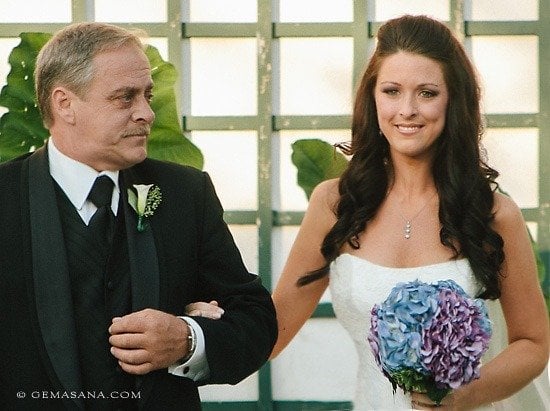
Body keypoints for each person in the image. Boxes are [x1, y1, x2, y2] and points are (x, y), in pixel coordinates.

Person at [187, 15, 550, 410]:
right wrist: (212, 326)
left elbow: (534, 343)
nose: (407, 110)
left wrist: (465, 395)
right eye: (392, 91)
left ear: (453, 101)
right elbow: (274, 331)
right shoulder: (335, 205)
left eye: (427, 93)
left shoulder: (493, 212)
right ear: (372, 97)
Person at [0, 22, 277, 410]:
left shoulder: (184, 194)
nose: (146, 112)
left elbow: (256, 319)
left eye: (146, 95)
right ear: (64, 104)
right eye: (124, 98)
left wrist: (188, 338)